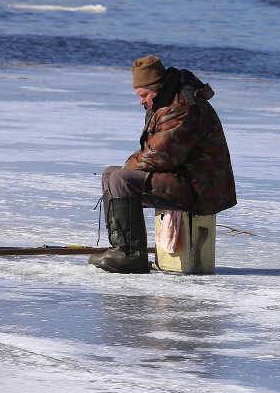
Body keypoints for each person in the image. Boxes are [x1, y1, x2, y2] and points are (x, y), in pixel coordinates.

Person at [90, 54, 236, 274]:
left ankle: (131, 255)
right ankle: (121, 247)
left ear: (157, 87)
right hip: (185, 179)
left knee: (121, 178)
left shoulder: (181, 107)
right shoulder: (164, 103)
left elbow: (161, 156)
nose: (141, 101)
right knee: (110, 174)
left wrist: (129, 167)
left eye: (144, 95)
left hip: (202, 188)